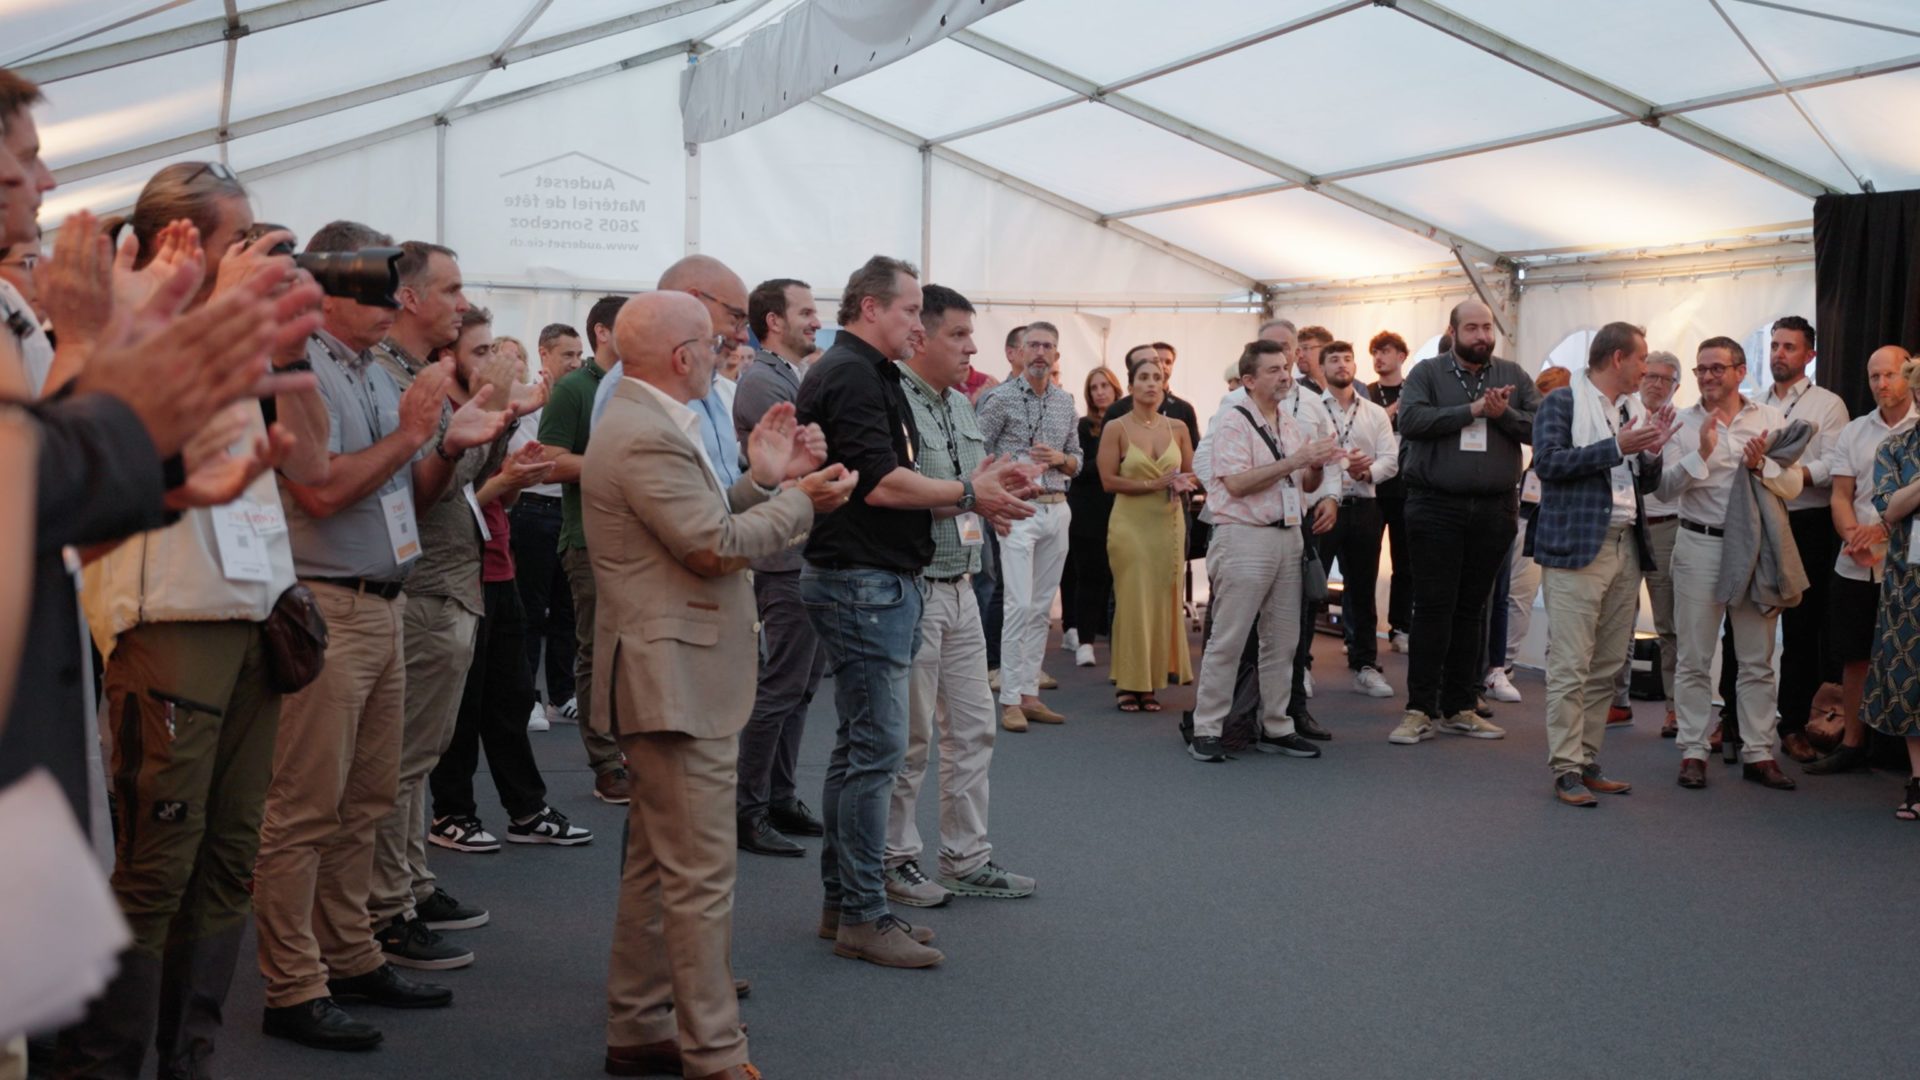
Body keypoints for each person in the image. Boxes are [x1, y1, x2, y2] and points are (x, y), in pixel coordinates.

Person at [50, 160, 334, 1080]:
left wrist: (283, 349)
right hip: (169, 619)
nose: (256, 254)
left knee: (229, 855)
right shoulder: (130, 326)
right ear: (177, 244)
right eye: (236, 239)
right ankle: (106, 1062)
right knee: (158, 861)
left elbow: (311, 468)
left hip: (255, 614)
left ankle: (191, 1057)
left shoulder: (246, 337)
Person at [252, 219, 514, 1051]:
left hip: (385, 600)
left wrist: (448, 447)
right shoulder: (298, 366)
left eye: (393, 287)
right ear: (323, 291)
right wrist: (410, 435)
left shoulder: (371, 369)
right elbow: (321, 491)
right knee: (304, 809)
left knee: (367, 797)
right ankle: (293, 985)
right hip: (329, 604)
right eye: (373, 288)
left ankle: (350, 953)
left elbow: (410, 495)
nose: (391, 302)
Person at [587, 290, 850, 1080]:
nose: (726, 351)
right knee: (700, 877)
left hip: (672, 671)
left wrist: (765, 482)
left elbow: (698, 528)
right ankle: (714, 1050)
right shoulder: (645, 432)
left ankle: (640, 1026)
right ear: (682, 356)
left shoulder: (647, 421)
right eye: (715, 341)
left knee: (656, 871)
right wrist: (798, 500)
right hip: (672, 678)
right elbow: (711, 547)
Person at [794, 255, 1033, 970]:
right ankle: (864, 911)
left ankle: (849, 903)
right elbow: (880, 485)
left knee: (865, 752)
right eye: (910, 311)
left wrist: (974, 493)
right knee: (879, 753)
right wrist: (971, 494)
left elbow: (889, 484)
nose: (918, 326)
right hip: (866, 580)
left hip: (881, 578)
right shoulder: (853, 374)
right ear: (871, 308)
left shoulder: (865, 374)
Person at [366, 243, 522, 973]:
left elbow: (453, 472)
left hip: (442, 584)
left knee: (415, 757)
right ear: (409, 297)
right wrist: (484, 423)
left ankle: (409, 884)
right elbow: (425, 486)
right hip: (424, 584)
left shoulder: (414, 377)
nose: (462, 306)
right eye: (452, 291)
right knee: (398, 763)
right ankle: (387, 903)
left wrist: (496, 422)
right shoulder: (397, 377)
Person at [884, 283, 1035, 908]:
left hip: (962, 583)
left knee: (974, 730)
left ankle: (965, 858)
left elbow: (962, 488)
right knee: (909, 739)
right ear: (920, 336)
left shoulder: (961, 404)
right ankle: (893, 860)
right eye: (959, 335)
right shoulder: (892, 399)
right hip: (913, 587)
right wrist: (974, 495)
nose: (973, 348)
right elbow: (891, 494)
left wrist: (992, 496)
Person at [423, 308, 589, 858]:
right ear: (447, 358)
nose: (496, 364)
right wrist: (507, 474)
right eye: (484, 352)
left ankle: (526, 809)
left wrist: (517, 475)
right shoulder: (443, 414)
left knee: (512, 698)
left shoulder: (489, 414)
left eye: (497, 352)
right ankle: (452, 813)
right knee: (462, 706)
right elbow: (449, 500)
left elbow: (500, 499)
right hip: (459, 574)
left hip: (498, 566)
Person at [1527, 322, 1677, 806]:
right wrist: (1617, 447)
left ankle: (1587, 759)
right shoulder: (1562, 402)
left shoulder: (1630, 409)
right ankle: (1565, 767)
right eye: (1642, 359)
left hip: (1625, 544)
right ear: (1617, 358)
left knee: (1608, 664)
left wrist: (1651, 453)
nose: (1646, 370)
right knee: (1571, 662)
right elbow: (1548, 463)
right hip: (1578, 544)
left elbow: (1642, 482)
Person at [1656, 336, 1809, 791]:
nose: (1707, 376)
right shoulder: (1681, 422)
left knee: (1756, 659)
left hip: (1753, 548)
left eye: (1716, 368)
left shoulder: (1770, 419)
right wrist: (1701, 452)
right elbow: (1664, 489)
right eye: (1701, 369)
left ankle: (1759, 753)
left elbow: (1793, 488)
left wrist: (1762, 466)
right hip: (1699, 544)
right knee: (1694, 657)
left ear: (1740, 371)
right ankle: (1693, 750)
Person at [1391, 299, 1540, 745]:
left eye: (1487, 328)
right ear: (1453, 332)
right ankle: (1420, 709)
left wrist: (1503, 414)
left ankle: (1460, 706)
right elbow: (1411, 420)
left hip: (1495, 508)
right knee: (1433, 607)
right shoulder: (1427, 373)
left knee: (1472, 609)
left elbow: (1541, 429)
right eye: (1472, 328)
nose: (1482, 336)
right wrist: (1472, 411)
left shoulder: (1513, 375)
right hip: (1435, 505)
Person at [1183, 340, 1341, 762]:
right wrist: (1298, 460)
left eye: (1286, 368)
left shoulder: (1287, 422)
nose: (1285, 375)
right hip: (1244, 537)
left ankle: (1276, 725)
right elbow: (1236, 483)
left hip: (1288, 534)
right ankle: (1207, 728)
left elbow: (1304, 485)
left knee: (1284, 641)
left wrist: (1318, 464)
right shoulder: (1232, 420)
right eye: (1273, 370)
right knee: (1229, 638)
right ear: (1249, 381)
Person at [732, 276, 830, 857]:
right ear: (773, 321)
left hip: (801, 546)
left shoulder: (791, 375)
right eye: (806, 312)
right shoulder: (764, 380)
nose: (817, 321)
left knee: (802, 686)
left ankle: (779, 796)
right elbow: (815, 450)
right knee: (782, 686)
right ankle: (748, 810)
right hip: (782, 552)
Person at [537, 295, 632, 804]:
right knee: (598, 652)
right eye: (631, 327)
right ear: (603, 332)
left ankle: (631, 751)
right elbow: (549, 463)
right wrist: (617, 463)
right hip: (590, 540)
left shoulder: (642, 386)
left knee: (637, 655)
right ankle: (605, 762)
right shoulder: (575, 388)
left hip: (645, 542)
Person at [1807, 345, 1914, 775]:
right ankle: (1852, 743)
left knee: (1909, 655)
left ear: (1909, 375)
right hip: (1855, 561)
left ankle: (1904, 755)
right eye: (1874, 376)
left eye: (1890, 374)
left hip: (1908, 562)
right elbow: (1840, 495)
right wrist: (1852, 534)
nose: (1881, 384)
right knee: (1854, 654)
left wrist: (1881, 534)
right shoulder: (1855, 431)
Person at [978, 319, 1079, 731]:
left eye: (1047, 346)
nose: (1040, 352)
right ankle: (1009, 701)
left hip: (1058, 507)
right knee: (1018, 605)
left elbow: (1077, 459)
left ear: (1056, 355)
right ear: (1018, 353)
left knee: (1040, 609)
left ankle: (1029, 695)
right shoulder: (998, 398)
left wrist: (1061, 460)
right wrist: (999, 492)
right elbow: (978, 454)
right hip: (1018, 509)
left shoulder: (1066, 401)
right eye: (1033, 345)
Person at [1763, 316, 1851, 763]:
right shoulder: (1753, 403)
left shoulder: (1828, 404)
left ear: (1810, 355)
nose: (1779, 353)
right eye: (1775, 345)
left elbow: (1836, 465)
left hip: (1808, 523)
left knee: (1801, 630)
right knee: (1743, 623)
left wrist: (1788, 476)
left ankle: (1793, 725)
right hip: (1760, 519)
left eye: (1789, 347)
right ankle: (1734, 722)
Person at [1102, 351, 1196, 713]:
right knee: (1132, 601)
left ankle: (1151, 682)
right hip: (1130, 525)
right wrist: (1153, 484)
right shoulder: (1117, 427)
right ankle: (1129, 683)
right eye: (1144, 378)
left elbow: (1192, 473)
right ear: (1130, 386)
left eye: (1157, 378)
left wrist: (1184, 482)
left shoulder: (1178, 428)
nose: (1151, 384)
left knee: (1162, 600)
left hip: (1168, 524)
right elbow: (1108, 481)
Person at [511, 322, 582, 732]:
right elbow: (532, 459)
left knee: (568, 609)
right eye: (567, 354)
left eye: (578, 355)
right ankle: (527, 699)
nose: (575, 362)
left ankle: (563, 693)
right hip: (533, 510)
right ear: (544, 354)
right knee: (531, 611)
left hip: (570, 509)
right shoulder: (527, 398)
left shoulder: (579, 397)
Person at [1318, 340, 1399, 697]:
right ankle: (1299, 666)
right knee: (1311, 587)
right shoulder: (1310, 409)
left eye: (1347, 359)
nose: (1342, 365)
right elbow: (1303, 455)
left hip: (1365, 505)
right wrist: (1340, 463)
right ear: (1323, 368)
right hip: (1322, 506)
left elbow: (1390, 460)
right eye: (1334, 359)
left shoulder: (1375, 412)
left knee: (1363, 590)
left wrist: (1366, 472)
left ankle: (1365, 664)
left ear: (1354, 366)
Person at [1863, 359, 1920, 820]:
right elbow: (1890, 507)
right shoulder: (1896, 447)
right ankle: (1918, 780)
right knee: (1911, 679)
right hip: (1910, 583)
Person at [1633, 352, 1685, 737]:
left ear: (1676, 386)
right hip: (1625, 525)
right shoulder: (1622, 415)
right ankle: (1616, 702)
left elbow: (1677, 481)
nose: (1654, 383)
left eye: (1664, 378)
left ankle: (1674, 708)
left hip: (1665, 526)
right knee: (1616, 621)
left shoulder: (1683, 424)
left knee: (1668, 624)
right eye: (1648, 375)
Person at [1066, 366, 1122, 668]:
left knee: (1120, 582)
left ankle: (1122, 648)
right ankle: (1085, 643)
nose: (1100, 392)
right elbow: (1077, 469)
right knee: (1088, 579)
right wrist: (1108, 463)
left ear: (1116, 389)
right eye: (1094, 387)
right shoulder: (1082, 427)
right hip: (1087, 512)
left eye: (1104, 386)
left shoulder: (1127, 423)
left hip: (1122, 510)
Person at [1367, 330, 1412, 652]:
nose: (1379, 358)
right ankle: (1362, 629)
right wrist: (1390, 412)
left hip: (1407, 488)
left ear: (1401, 356)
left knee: (1405, 562)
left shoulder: (1415, 390)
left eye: (1385, 351)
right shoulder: (1366, 393)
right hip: (1371, 487)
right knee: (1364, 563)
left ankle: (1401, 628)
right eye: (1375, 352)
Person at [1105, 342, 1201, 446]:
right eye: (1143, 362)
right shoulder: (1116, 412)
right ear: (1131, 374)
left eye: (1156, 361)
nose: (1153, 366)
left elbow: (1196, 452)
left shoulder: (1183, 409)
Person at [1295, 325, 1331, 394]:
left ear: (1325, 350)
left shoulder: (1348, 385)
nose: (1300, 355)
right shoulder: (1295, 389)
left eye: (1305, 348)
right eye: (1297, 350)